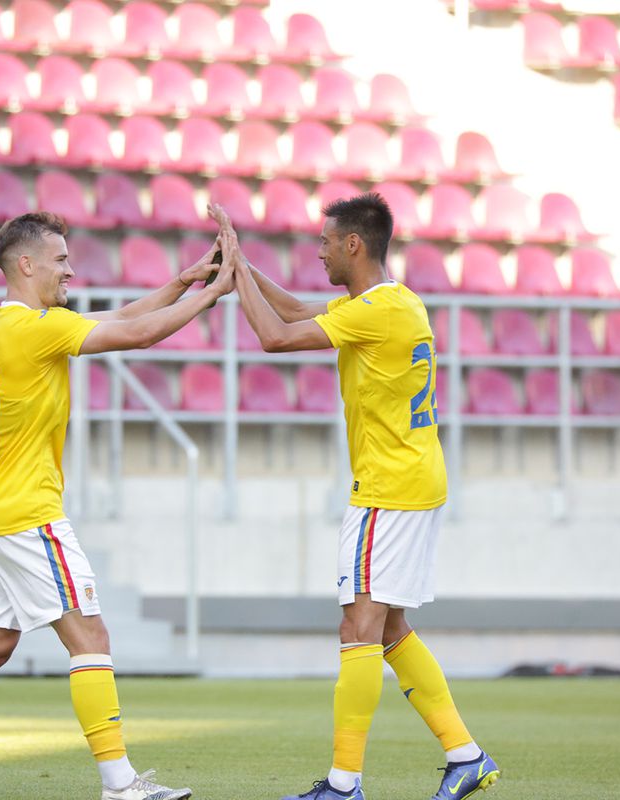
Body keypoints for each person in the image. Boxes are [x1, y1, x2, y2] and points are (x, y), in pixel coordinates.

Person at [0, 212, 233, 800]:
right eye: (60, 259)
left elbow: (115, 318)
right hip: (28, 514)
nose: (70, 268)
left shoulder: (12, 327)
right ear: (26, 265)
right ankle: (120, 785)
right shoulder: (35, 329)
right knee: (90, 639)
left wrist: (183, 282)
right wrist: (214, 296)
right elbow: (137, 335)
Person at [212, 196, 500, 800]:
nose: (317, 251)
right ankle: (465, 755)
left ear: (353, 246)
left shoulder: (374, 313)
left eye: (325, 241)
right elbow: (290, 306)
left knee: (358, 627)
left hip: (388, 490)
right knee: (390, 627)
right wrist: (239, 265)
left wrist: (235, 268)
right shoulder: (390, 303)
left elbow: (273, 334)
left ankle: (344, 785)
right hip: (412, 480)